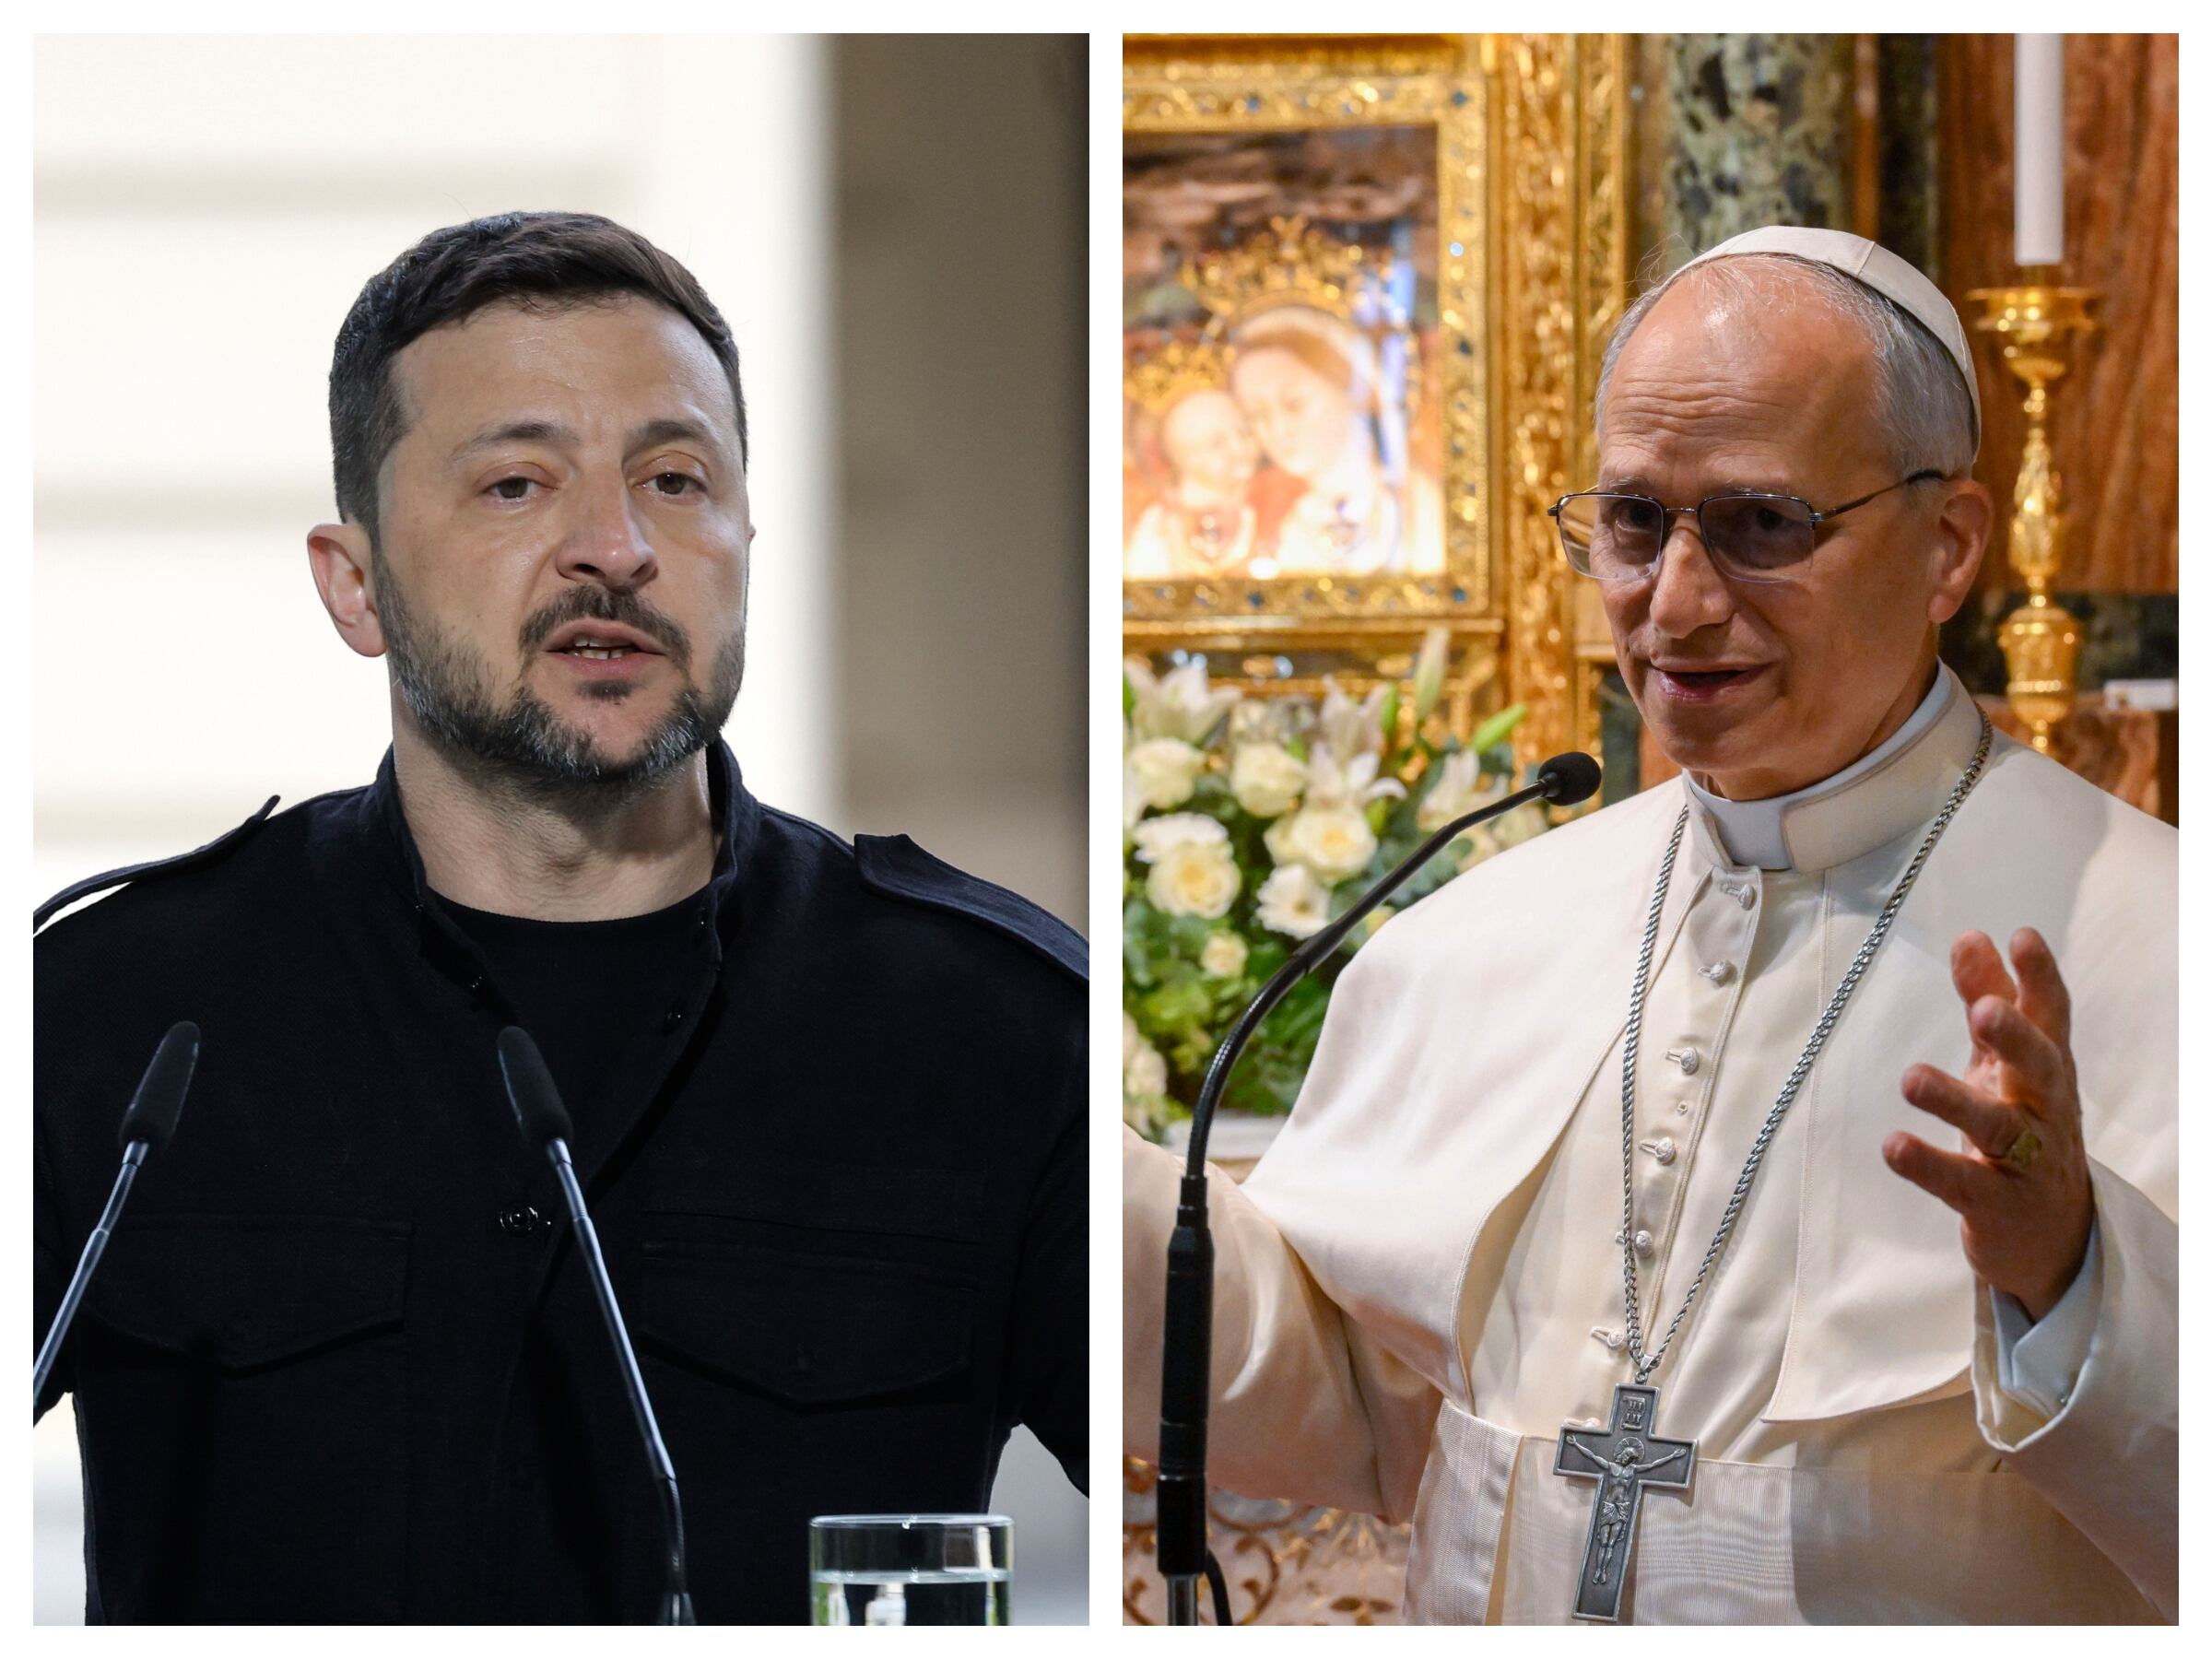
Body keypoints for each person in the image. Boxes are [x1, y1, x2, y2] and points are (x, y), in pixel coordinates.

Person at [35, 210, 1088, 1625]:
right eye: (518, 484)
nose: (616, 547)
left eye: (674, 479)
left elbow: (1237, 1523)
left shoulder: (999, 1032)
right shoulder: (105, 1014)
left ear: (747, 543)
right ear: (356, 585)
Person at [1125, 226, 2175, 1623]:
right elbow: (1361, 1415)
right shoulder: (1484, 934)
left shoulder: (2163, 948)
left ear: (1948, 547)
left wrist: (2077, 1277)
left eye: (1763, 524)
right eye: (1632, 522)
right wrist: (1063, 1160)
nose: (1675, 605)